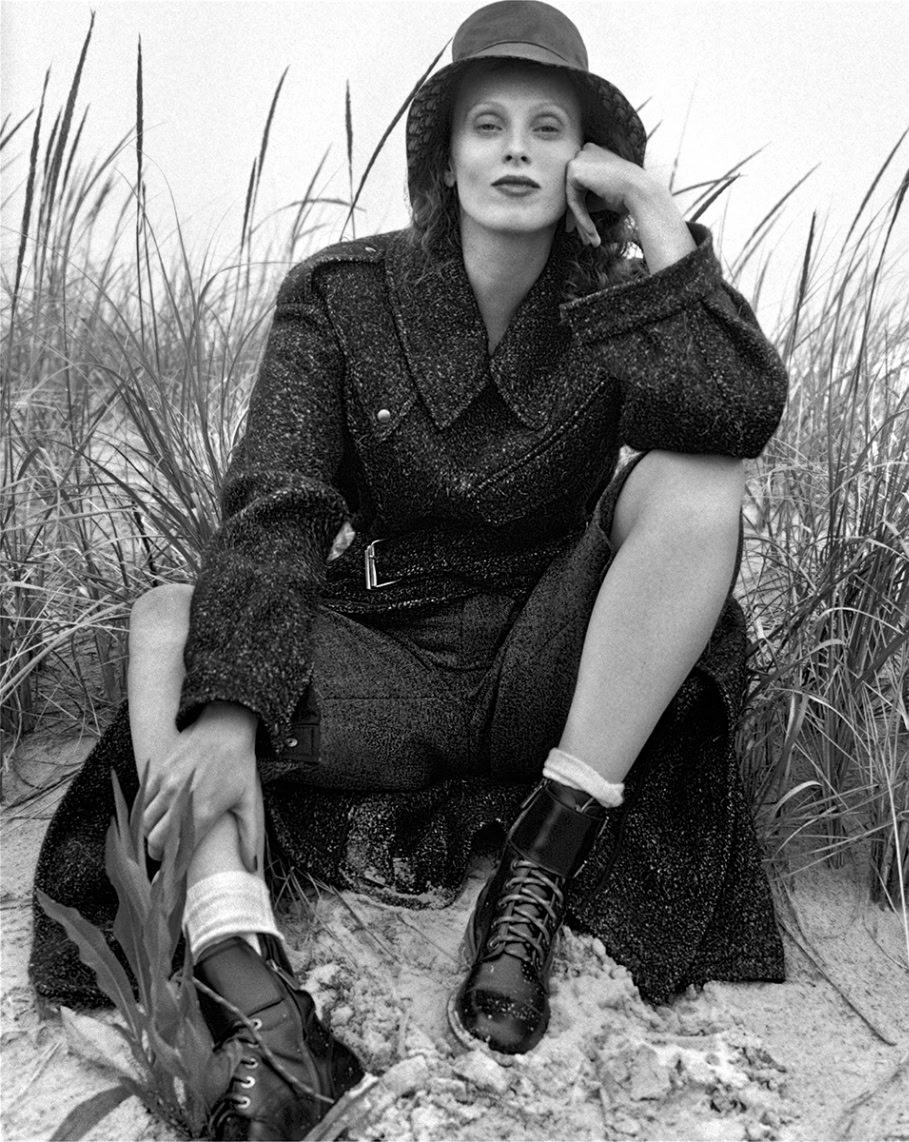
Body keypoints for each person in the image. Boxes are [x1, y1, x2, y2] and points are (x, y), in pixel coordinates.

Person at [30, 2, 789, 1138]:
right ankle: (264, 1010)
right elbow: (279, 501)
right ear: (445, 151)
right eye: (488, 124)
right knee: (165, 620)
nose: (517, 148)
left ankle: (536, 869)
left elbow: (737, 414)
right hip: (392, 651)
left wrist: (653, 214)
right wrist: (234, 708)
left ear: (587, 159)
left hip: (558, 664)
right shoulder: (342, 292)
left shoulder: (611, 303)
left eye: (550, 126)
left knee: (696, 479)